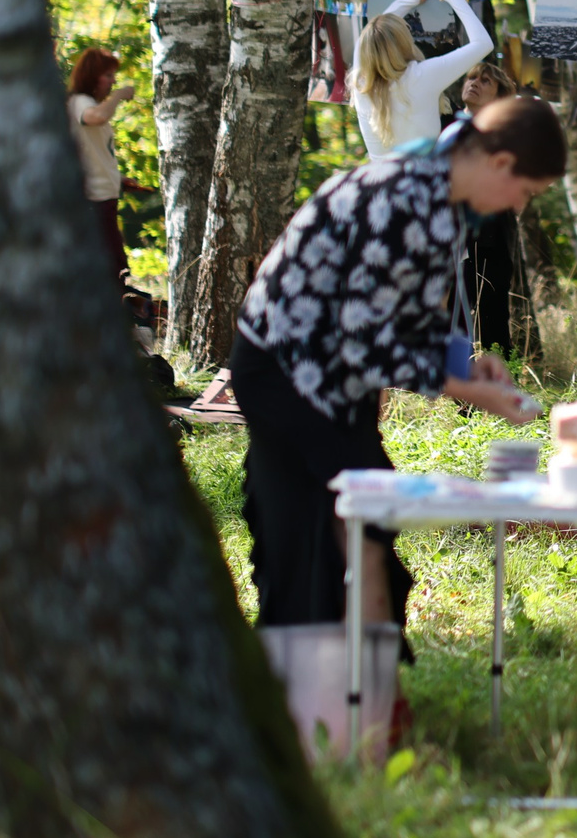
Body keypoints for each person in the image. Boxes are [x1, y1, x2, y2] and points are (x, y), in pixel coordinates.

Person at [231, 97, 557, 646]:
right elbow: (364, 340)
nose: (518, 208)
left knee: (362, 524)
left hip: (335, 375)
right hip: (288, 373)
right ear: (500, 163)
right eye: (525, 193)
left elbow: (406, 318)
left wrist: (469, 367)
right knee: (322, 532)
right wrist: (465, 390)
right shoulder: (406, 197)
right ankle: (319, 695)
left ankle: (360, 689)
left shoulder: (440, 195)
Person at [352, 0, 493, 157]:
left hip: (380, 181)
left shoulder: (360, 82)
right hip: (423, 181)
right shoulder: (422, 75)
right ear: (403, 42)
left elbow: (373, 36)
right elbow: (483, 43)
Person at [455, 61, 525, 355]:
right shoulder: (445, 125)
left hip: (491, 235)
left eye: (485, 81)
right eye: (471, 78)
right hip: (452, 235)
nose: (474, 83)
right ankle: (459, 396)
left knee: (492, 316)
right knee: (455, 316)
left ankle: (503, 389)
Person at [66, 48, 140, 285]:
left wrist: (119, 180)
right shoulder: (79, 102)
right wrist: (118, 96)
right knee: (114, 268)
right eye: (108, 75)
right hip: (91, 202)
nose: (113, 81)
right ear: (92, 77)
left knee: (114, 265)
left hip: (104, 199)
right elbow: (96, 117)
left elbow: (93, 154)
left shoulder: (86, 104)